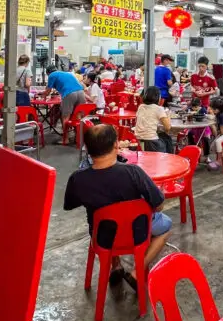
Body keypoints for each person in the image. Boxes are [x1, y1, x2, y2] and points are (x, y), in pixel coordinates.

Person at [63, 124, 171, 290]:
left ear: (87, 148)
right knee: (166, 227)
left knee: (110, 220)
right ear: (116, 145)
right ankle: (136, 271)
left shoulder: (77, 179)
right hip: (137, 234)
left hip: (101, 237)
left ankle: (116, 266)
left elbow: (70, 204)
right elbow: (159, 205)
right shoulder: (133, 172)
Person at [134, 86, 173, 153]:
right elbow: (168, 127)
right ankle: (168, 160)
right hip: (152, 143)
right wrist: (168, 114)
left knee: (162, 136)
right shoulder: (158, 109)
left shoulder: (141, 106)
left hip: (138, 140)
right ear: (158, 97)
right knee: (167, 138)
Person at [206, 95, 223, 171]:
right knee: (213, 145)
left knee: (218, 141)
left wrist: (219, 136)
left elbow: (221, 129)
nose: (212, 110)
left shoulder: (221, 115)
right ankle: (221, 158)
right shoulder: (219, 114)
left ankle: (219, 161)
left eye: (214, 109)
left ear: (219, 109)